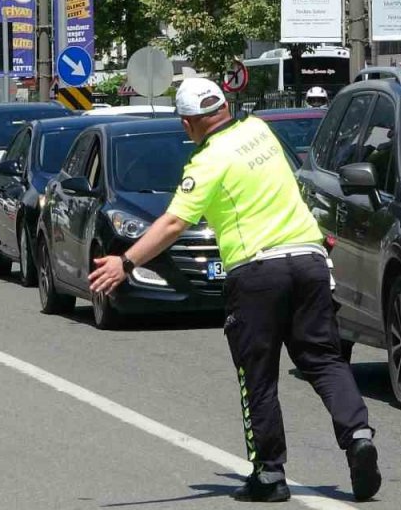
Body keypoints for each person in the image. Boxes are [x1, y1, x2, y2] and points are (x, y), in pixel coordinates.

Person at [88, 78, 381, 503]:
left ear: (188, 123)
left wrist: (126, 262)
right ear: (225, 106)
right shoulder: (260, 131)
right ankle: (357, 435)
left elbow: (173, 223)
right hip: (309, 257)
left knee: (257, 374)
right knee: (323, 358)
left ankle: (269, 472)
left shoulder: (206, 162)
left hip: (258, 270)